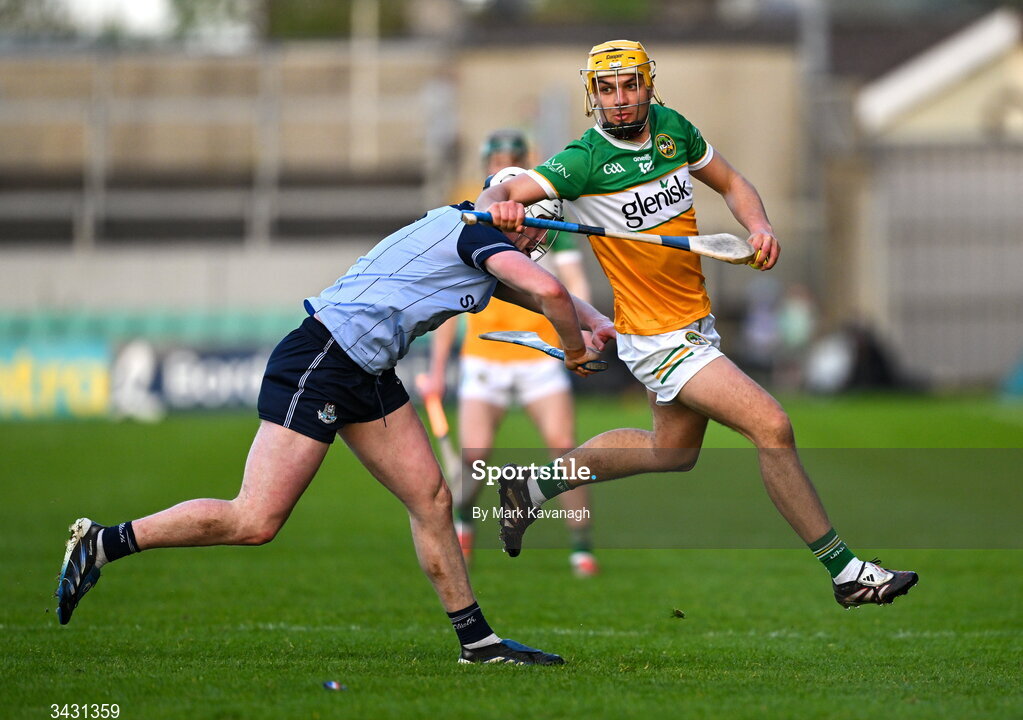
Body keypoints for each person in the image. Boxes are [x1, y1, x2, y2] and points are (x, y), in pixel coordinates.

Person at [53, 194, 615, 665]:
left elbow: (538, 295)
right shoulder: (475, 234)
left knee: (432, 499)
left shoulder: (474, 237)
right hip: (323, 359)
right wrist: (572, 349)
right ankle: (103, 542)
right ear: (515, 218)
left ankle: (478, 642)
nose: (534, 251)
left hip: (366, 369)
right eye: (533, 236)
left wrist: (596, 323)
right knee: (254, 519)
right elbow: (549, 292)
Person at [476, 40, 918, 608]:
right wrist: (500, 205)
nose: (620, 99)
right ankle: (846, 572)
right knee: (773, 427)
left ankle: (529, 489)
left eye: (630, 85)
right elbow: (503, 190)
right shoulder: (583, 160)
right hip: (658, 338)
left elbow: (734, 183)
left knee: (672, 452)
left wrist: (758, 227)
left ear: (648, 85)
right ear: (593, 96)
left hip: (693, 323)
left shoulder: (673, 130)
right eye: (607, 89)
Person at [421, 129, 599, 577]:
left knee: (565, 449)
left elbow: (572, 285)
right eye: (496, 157)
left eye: (511, 157)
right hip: (484, 358)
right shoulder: (470, 216)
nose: (502, 163)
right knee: (472, 456)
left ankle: (581, 546)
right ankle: (464, 528)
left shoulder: (551, 218)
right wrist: (439, 368)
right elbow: (450, 305)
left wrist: (579, 332)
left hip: (538, 355)